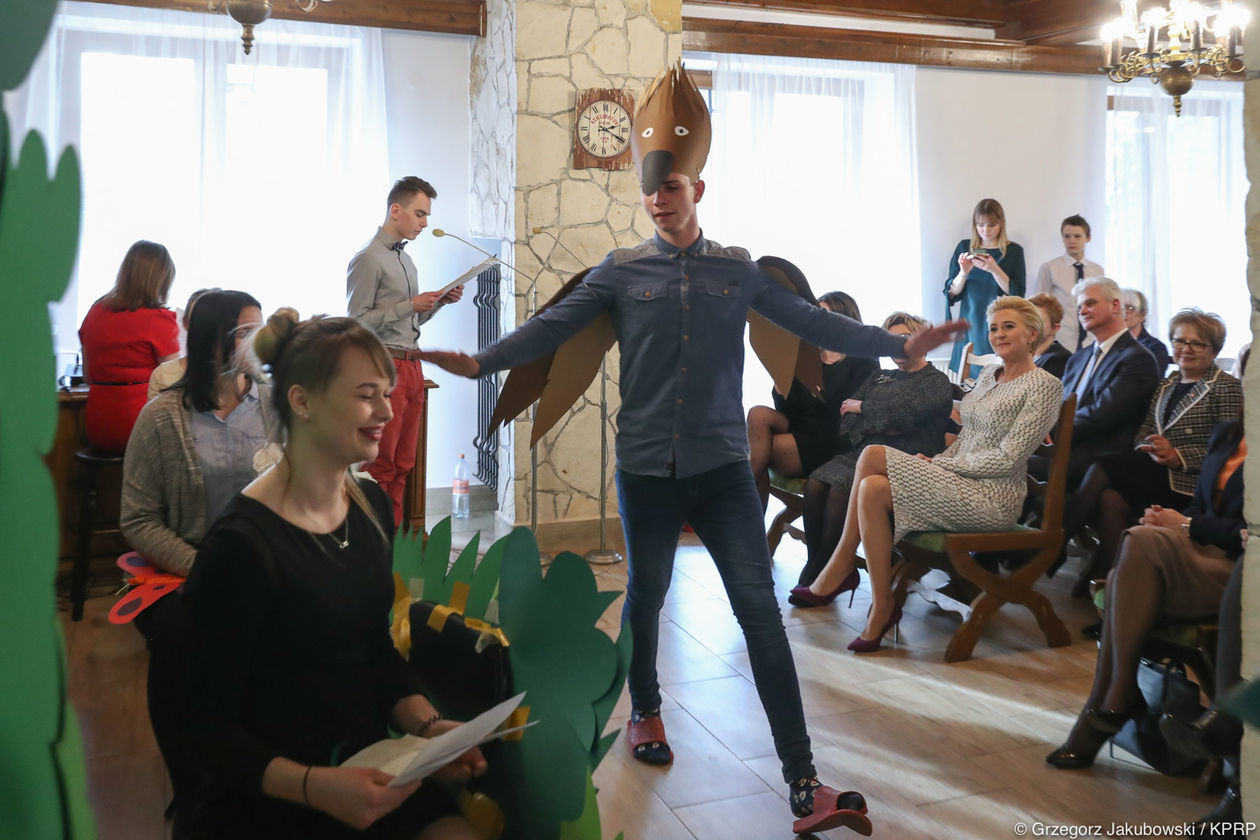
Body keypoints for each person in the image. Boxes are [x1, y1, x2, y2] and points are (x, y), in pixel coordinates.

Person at [418, 62, 966, 836]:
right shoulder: (620, 271)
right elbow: (551, 329)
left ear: (696, 188)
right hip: (646, 471)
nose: (660, 198)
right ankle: (645, 709)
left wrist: (896, 344)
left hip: (722, 473)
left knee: (760, 616)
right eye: (650, 189)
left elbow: (815, 323)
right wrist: (482, 363)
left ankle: (803, 781)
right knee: (646, 597)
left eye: (672, 186)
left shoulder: (738, 271)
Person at [182, 311, 485, 839]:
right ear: (302, 401)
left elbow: (374, 649)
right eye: (367, 395)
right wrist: (315, 787)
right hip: (272, 794)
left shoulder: (369, 506)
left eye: (387, 393)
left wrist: (430, 728)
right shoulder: (240, 548)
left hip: (369, 767)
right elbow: (204, 730)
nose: (387, 410)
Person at [792, 297, 1061, 652]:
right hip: (958, 481)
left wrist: (940, 464)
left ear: (1032, 333)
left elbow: (1007, 459)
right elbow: (967, 437)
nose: (999, 334)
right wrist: (939, 459)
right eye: (994, 327)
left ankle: (839, 567)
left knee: (872, 455)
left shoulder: (1044, 385)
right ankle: (882, 604)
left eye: (1009, 327)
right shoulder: (987, 375)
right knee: (871, 487)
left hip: (993, 497)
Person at [120, 290, 274, 824]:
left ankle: (263, 772)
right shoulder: (162, 418)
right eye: (245, 332)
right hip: (179, 570)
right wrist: (202, 568)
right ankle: (191, 782)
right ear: (212, 342)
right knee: (178, 640)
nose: (258, 342)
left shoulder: (274, 404)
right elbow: (138, 520)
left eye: (261, 329)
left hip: (259, 567)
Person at [1046, 417, 1245, 773]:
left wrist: (1186, 525)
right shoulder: (1229, 434)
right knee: (1138, 542)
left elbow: (1249, 534)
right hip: (1200, 552)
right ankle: (1116, 695)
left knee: (1132, 556)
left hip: (1240, 568)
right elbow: (1200, 505)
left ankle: (1111, 703)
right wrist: (1170, 519)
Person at [1059, 309, 1241, 598]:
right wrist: (1149, 446)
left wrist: (1178, 455)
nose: (1186, 349)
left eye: (1197, 343)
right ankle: (1110, 578)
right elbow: (1143, 429)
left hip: (1189, 485)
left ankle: (1054, 541)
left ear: (1215, 349)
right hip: (1154, 471)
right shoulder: (1167, 383)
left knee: (1103, 464)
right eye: (1179, 341)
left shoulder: (1225, 387)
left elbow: (1228, 451)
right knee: (1110, 498)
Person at [791, 312, 954, 593]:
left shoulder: (935, 380)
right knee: (816, 483)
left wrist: (865, 410)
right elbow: (847, 417)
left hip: (908, 458)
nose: (898, 346)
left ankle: (827, 574)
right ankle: (816, 564)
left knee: (841, 489)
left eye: (905, 338)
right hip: (864, 452)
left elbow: (901, 414)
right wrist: (878, 422)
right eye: (891, 340)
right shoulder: (880, 376)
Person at [347, 176, 465, 525]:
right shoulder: (367, 259)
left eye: (426, 216)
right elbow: (356, 323)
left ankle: (398, 544)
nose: (425, 224)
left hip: (413, 366)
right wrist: (410, 305)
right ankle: (376, 543)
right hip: (385, 367)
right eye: (420, 214)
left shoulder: (406, 260)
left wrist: (438, 303)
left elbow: (409, 320)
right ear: (396, 210)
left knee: (403, 465)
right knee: (380, 465)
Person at [746, 291, 878, 511]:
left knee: (757, 451)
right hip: (803, 431)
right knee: (758, 414)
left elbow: (849, 411)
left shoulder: (862, 357)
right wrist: (781, 386)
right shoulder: (807, 355)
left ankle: (741, 509)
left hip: (832, 439)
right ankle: (746, 511)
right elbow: (790, 412)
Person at [1037, 277, 1160, 489]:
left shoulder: (1138, 358)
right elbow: (1059, 404)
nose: (1083, 311)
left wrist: (1051, 430)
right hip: (1065, 446)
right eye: (1079, 307)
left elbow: (1101, 415)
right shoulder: (1078, 358)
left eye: (1090, 303)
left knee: (1014, 466)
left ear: (1115, 306)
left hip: (1102, 454)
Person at [78, 240, 180, 451]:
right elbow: (174, 380)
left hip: (97, 424)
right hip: (139, 423)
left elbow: (88, 376)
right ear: (162, 279)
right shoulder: (158, 318)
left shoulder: (95, 312)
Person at [945, 198, 1026, 375]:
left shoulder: (1013, 251)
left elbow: (1017, 294)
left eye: (991, 225)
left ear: (1001, 224)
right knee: (968, 378)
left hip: (1000, 325)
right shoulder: (964, 247)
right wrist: (963, 272)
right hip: (971, 322)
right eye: (981, 225)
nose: (986, 230)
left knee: (999, 376)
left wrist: (995, 269)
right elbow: (951, 293)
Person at [1032, 214, 1103, 353]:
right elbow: (1038, 305)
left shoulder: (1097, 270)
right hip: (1061, 338)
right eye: (1067, 236)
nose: (1071, 241)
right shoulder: (1050, 268)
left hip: (1090, 338)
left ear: (1088, 238)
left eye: (1077, 236)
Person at [148, 287, 221, 399]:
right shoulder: (163, 375)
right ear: (186, 323)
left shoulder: (240, 377)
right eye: (200, 319)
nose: (208, 327)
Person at [1122, 288, 1172, 374]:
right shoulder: (1112, 344)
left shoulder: (1155, 348)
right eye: (1120, 308)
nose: (1122, 313)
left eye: (1129, 308)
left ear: (1143, 315)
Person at [1028, 292, 1071, 379]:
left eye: (1038, 321)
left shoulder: (1059, 360)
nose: (1030, 325)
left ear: (1054, 328)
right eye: (1027, 319)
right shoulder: (1020, 356)